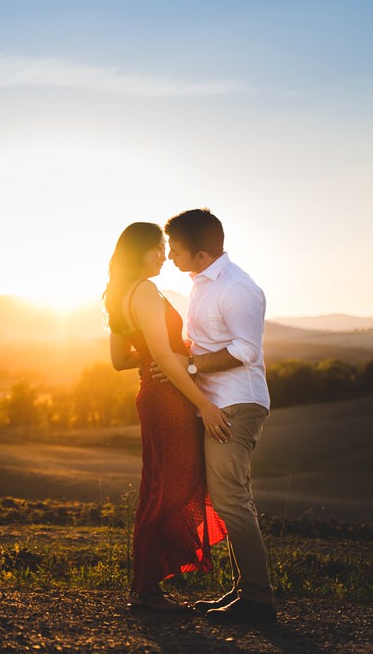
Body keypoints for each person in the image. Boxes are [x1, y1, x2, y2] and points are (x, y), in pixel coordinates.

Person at [157, 208, 276, 624]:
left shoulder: (237, 287)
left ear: (201, 253)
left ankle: (258, 601)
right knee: (230, 499)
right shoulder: (202, 284)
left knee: (231, 500)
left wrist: (188, 367)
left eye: (175, 248)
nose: (170, 256)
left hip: (235, 405)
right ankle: (247, 593)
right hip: (218, 403)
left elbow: (247, 350)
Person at [105, 222, 229, 612]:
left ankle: (145, 587)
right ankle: (146, 591)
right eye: (158, 248)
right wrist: (203, 403)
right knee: (173, 486)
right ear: (139, 251)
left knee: (157, 486)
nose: (164, 255)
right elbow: (160, 354)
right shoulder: (144, 290)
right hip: (169, 400)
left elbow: (119, 360)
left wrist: (167, 353)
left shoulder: (119, 295)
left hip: (152, 395)